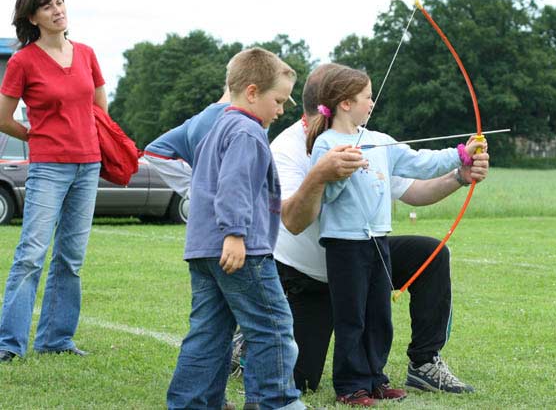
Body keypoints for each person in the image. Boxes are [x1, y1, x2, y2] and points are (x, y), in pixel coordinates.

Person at [273, 63, 487, 396]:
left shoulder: (378, 141)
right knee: (346, 328)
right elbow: (307, 212)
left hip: (376, 241)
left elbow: (419, 164)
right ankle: (351, 386)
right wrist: (332, 174)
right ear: (345, 102)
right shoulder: (319, 144)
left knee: (378, 315)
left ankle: (376, 380)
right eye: (367, 97)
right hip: (330, 256)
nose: (372, 104)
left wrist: (460, 159)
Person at [166, 48, 304, 410]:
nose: (282, 109)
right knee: (272, 327)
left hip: (204, 249)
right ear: (253, 92)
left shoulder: (220, 125)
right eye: (279, 100)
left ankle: (192, 403)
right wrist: (235, 234)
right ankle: (275, 402)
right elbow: (235, 185)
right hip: (241, 249)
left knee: (209, 333)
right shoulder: (247, 131)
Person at [0, 0, 107, 363]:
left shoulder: (87, 54)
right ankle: (9, 344)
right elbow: (3, 117)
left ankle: (56, 338)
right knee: (31, 253)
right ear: (33, 17)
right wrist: (37, 134)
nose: (57, 10)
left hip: (88, 164)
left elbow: (100, 112)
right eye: (48, 6)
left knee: (71, 257)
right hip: (48, 166)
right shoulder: (23, 61)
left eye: (60, 2)